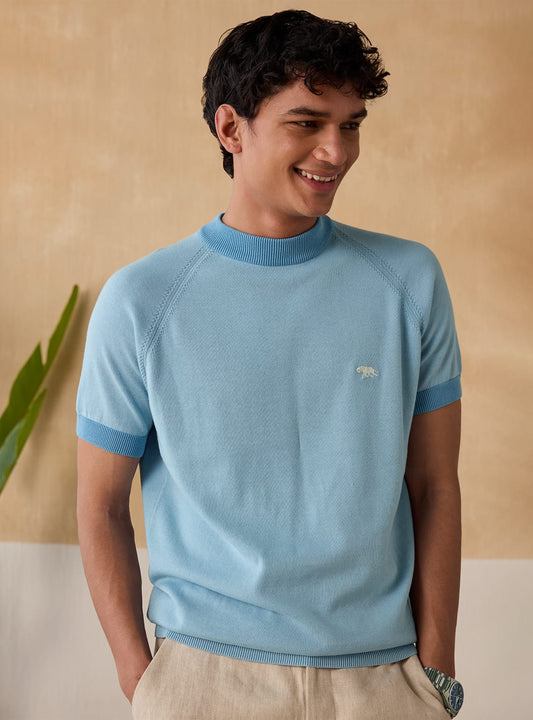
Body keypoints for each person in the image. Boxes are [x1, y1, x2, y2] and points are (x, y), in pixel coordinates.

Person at [76, 9, 464, 719]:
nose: (335, 151)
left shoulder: (409, 281)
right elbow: (100, 505)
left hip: (383, 682)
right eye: (306, 123)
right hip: (205, 682)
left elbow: (434, 486)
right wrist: (145, 682)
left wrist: (435, 674)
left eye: (350, 125)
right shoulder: (142, 300)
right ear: (231, 129)